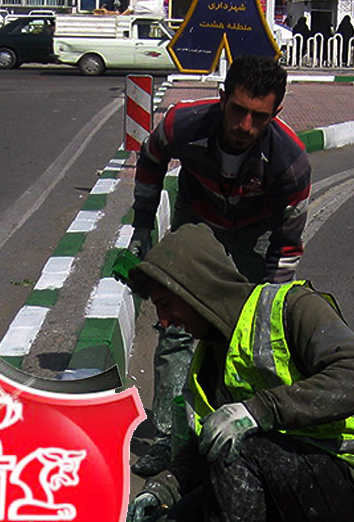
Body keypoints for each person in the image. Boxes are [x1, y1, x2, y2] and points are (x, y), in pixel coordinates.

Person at [122, 223, 354, 522]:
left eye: (167, 304)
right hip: (267, 480)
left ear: (196, 288)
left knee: (238, 450)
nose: (164, 319)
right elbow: (204, 443)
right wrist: (161, 490)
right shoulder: (210, 359)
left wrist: (258, 411)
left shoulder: (292, 307)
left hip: (339, 481)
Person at [128, 56, 311, 478]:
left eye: (259, 117)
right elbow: (151, 158)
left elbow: (287, 245)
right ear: (222, 97)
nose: (245, 125)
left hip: (256, 233)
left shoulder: (290, 162)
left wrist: (268, 303)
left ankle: (235, 429)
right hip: (198, 222)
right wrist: (142, 224)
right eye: (238, 110)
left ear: (276, 114)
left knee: (244, 336)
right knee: (176, 329)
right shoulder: (182, 125)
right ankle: (168, 440)